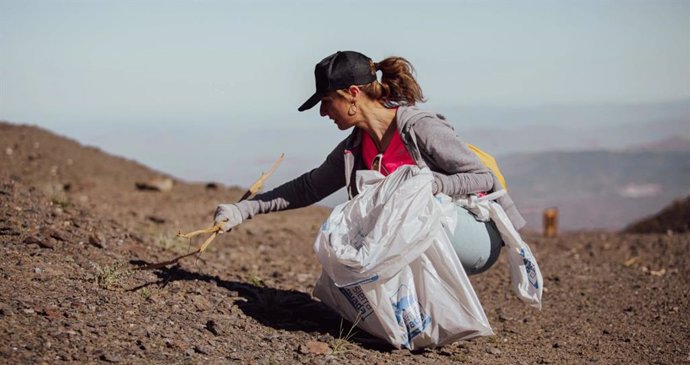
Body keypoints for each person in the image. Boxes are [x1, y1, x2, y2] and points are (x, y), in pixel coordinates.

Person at [214, 50, 526, 275]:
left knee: (394, 212)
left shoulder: (420, 128)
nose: (323, 113)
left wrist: (432, 184)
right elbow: (309, 187)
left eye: (326, 102)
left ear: (352, 94)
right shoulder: (355, 147)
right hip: (425, 236)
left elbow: (482, 177)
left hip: (473, 238)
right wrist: (244, 209)